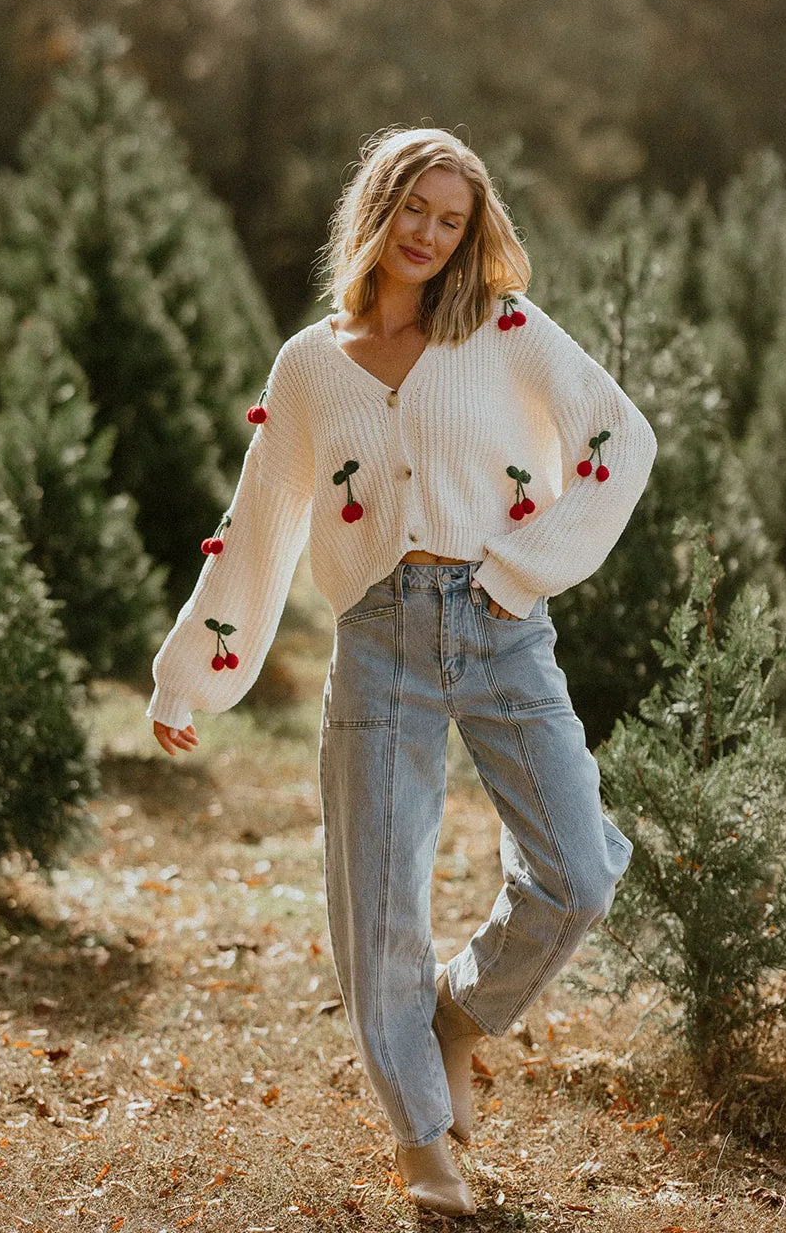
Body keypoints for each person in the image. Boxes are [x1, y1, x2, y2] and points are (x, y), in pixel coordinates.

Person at [148, 126, 657, 1217]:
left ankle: (453, 1018)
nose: (428, 234)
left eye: (450, 218)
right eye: (413, 210)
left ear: (470, 233)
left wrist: (522, 571)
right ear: (375, 210)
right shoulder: (309, 365)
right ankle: (420, 1137)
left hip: (498, 624)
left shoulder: (504, 330)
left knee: (580, 868)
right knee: (378, 903)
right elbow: (260, 524)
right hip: (376, 636)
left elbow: (619, 439)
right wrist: (189, 671)